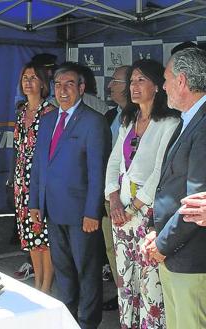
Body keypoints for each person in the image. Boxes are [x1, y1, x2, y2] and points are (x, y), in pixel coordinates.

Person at [29, 62, 110, 329]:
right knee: (63, 271)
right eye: (58, 85)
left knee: (87, 272)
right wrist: (34, 203)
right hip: (53, 211)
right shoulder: (48, 119)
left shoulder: (93, 122)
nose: (62, 91)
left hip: (81, 215)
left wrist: (92, 212)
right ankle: (69, 319)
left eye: (69, 84)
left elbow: (98, 172)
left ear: (82, 88)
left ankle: (88, 323)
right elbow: (39, 165)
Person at [105, 59, 180, 328]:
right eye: (132, 81)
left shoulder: (169, 123)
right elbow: (114, 162)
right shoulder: (129, 118)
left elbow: (160, 171)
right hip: (121, 213)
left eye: (141, 81)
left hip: (147, 216)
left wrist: (133, 208)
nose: (134, 87)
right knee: (126, 283)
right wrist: (114, 198)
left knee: (150, 285)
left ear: (158, 86)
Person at [142, 47, 206, 329]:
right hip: (177, 252)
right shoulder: (190, 121)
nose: (163, 86)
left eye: (166, 79)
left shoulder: (202, 126)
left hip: (190, 258)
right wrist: (159, 233)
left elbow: (196, 203)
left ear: (181, 81)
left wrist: (162, 243)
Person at [13, 62, 56, 293]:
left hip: (40, 178)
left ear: (42, 83)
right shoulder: (21, 112)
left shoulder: (49, 112)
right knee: (30, 234)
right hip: (22, 179)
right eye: (25, 77)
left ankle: (46, 286)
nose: (28, 82)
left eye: (33, 77)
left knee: (43, 234)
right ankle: (38, 280)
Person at [101, 65, 130, 312]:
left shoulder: (145, 117)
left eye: (116, 81)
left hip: (132, 200)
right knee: (111, 248)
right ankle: (122, 295)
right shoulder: (111, 116)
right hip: (109, 194)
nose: (109, 86)